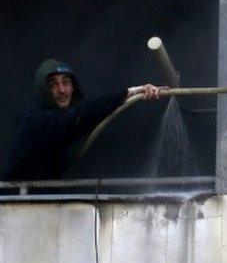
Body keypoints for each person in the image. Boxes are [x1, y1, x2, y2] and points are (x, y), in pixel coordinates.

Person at [2, 59, 166, 181]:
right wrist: (131, 92)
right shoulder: (37, 119)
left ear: (73, 87)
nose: (62, 90)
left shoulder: (62, 119)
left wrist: (134, 93)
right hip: (17, 204)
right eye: (53, 84)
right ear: (43, 89)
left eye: (66, 83)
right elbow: (79, 116)